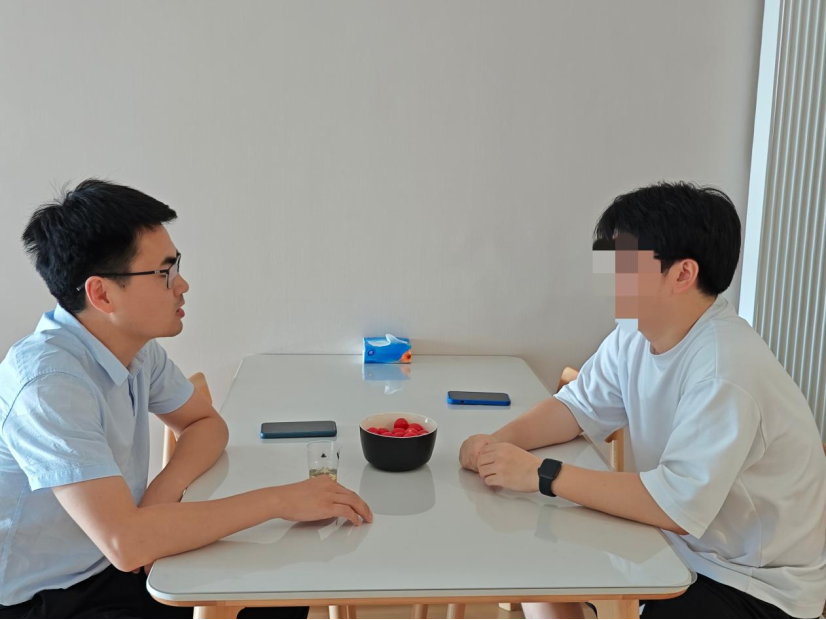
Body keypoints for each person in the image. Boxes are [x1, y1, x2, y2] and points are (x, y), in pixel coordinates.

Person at [0, 179, 373, 619]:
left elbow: (205, 424)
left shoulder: (134, 346)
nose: (183, 285)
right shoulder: (48, 384)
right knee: (276, 567)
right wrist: (278, 501)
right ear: (101, 294)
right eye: (164, 273)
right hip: (46, 597)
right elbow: (125, 544)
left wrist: (158, 495)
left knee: (286, 586)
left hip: (117, 556)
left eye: (176, 266)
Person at [459, 182, 826, 619]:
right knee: (533, 552)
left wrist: (540, 473)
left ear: (683, 274)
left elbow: (674, 504)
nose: (610, 276)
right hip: (676, 541)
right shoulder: (634, 334)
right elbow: (574, 408)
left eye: (625, 262)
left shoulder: (726, 369)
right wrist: (496, 444)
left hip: (753, 582)